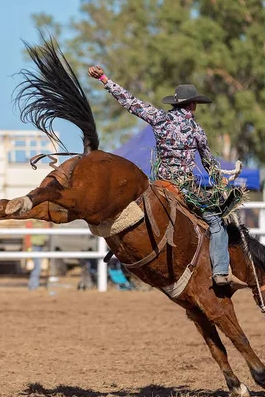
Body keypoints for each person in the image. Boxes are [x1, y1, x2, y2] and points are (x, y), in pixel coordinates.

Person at [88, 65, 242, 288]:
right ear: (192, 105)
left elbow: (130, 102)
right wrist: (220, 181)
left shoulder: (160, 118)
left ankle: (118, 242)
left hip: (159, 184)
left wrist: (104, 78)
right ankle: (219, 272)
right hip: (185, 188)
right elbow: (208, 161)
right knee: (216, 224)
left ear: (176, 103)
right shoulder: (197, 130)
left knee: (130, 210)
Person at [28, 222, 48, 291]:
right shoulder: (33, 222)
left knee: (37, 266)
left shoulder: (41, 222)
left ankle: (33, 284)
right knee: (37, 266)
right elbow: (28, 234)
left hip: (41, 245)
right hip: (35, 246)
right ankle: (33, 285)